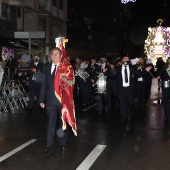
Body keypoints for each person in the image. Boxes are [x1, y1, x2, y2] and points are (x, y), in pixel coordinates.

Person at [39, 47, 77, 155]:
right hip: (50, 101)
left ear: (61, 56)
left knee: (62, 123)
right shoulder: (46, 67)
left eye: (57, 54)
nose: (54, 56)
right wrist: (41, 99)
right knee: (51, 123)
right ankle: (49, 146)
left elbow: (71, 83)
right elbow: (44, 83)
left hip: (62, 100)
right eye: (52, 54)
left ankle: (63, 141)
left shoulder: (66, 67)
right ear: (50, 56)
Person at [115, 56, 152, 123]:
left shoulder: (132, 68)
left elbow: (139, 73)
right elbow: (112, 74)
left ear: (129, 60)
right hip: (121, 89)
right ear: (122, 60)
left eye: (127, 59)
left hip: (130, 89)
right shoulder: (118, 68)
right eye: (124, 59)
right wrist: (106, 72)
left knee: (130, 102)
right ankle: (123, 116)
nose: (126, 60)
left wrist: (146, 70)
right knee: (122, 103)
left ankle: (129, 115)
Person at [157, 57, 170, 122]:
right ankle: (166, 114)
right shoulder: (164, 68)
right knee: (166, 99)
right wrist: (158, 76)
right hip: (165, 85)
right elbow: (159, 74)